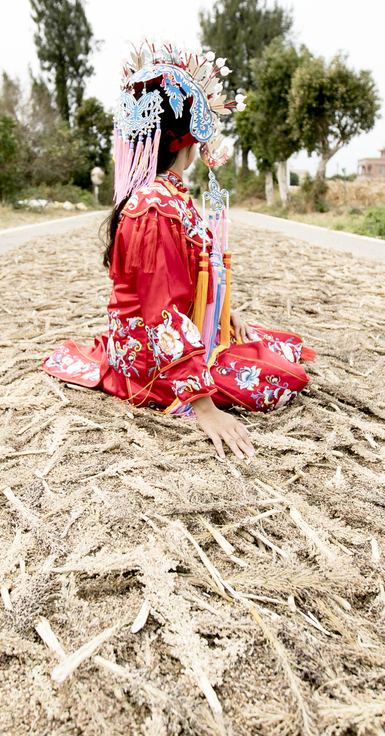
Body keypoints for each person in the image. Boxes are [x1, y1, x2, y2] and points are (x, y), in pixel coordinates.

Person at [43, 42, 313, 459]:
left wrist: (221, 310)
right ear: (189, 139)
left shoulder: (161, 197)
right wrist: (204, 409)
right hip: (152, 353)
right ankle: (185, 378)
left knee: (274, 345)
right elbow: (161, 312)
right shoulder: (154, 208)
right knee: (279, 379)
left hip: (166, 333)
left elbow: (189, 278)